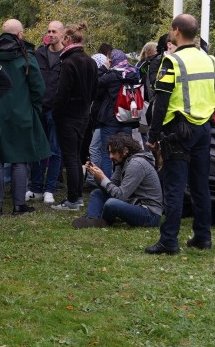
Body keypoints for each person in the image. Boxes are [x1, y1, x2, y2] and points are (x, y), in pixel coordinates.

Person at [146, 14, 215, 255]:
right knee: (200, 186)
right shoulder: (210, 60)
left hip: (178, 131)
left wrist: (153, 136)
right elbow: (211, 92)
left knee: (174, 187)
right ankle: (203, 237)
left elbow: (161, 102)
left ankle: (169, 240)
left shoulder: (172, 61)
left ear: (176, 30)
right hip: (203, 127)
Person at [0, 19, 49, 215]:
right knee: (20, 158)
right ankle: (19, 205)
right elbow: (38, 87)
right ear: (20, 34)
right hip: (21, 112)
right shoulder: (26, 56)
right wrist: (34, 108)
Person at [82, 49, 140, 223]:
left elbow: (94, 85)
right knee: (126, 153)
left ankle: (105, 185)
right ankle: (124, 184)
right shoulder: (133, 74)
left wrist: (104, 69)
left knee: (108, 154)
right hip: (127, 118)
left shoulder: (111, 76)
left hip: (110, 118)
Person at [49, 25, 97, 212]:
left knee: (70, 157)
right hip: (84, 114)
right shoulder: (90, 61)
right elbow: (95, 90)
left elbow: (62, 93)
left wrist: (56, 112)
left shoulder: (69, 62)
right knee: (77, 155)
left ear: (68, 39)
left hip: (69, 115)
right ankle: (77, 196)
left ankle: (72, 199)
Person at [79, 133, 163, 228]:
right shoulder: (122, 161)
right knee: (97, 193)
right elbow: (112, 187)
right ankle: (92, 219)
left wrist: (103, 178)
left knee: (111, 203)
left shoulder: (136, 164)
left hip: (150, 214)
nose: (110, 156)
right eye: (110, 152)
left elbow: (120, 196)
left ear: (125, 151)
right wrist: (97, 177)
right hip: (133, 204)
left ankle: (103, 220)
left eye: (113, 152)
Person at [29, 21, 66, 204]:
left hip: (57, 110)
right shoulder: (39, 54)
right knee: (37, 148)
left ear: (62, 34)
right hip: (38, 108)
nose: (50, 34)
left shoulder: (67, 56)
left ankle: (49, 188)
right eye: (49, 31)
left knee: (55, 150)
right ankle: (35, 187)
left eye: (54, 31)